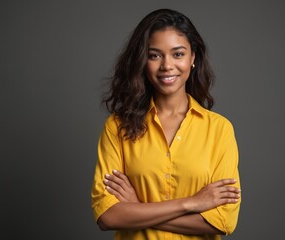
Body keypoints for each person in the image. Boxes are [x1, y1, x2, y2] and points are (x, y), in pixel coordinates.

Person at [91, 8, 241, 240]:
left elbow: (223, 221)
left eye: (178, 54)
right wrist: (192, 203)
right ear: (142, 60)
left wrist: (137, 207)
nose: (167, 65)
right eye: (155, 55)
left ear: (193, 58)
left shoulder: (219, 129)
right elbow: (108, 216)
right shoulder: (117, 126)